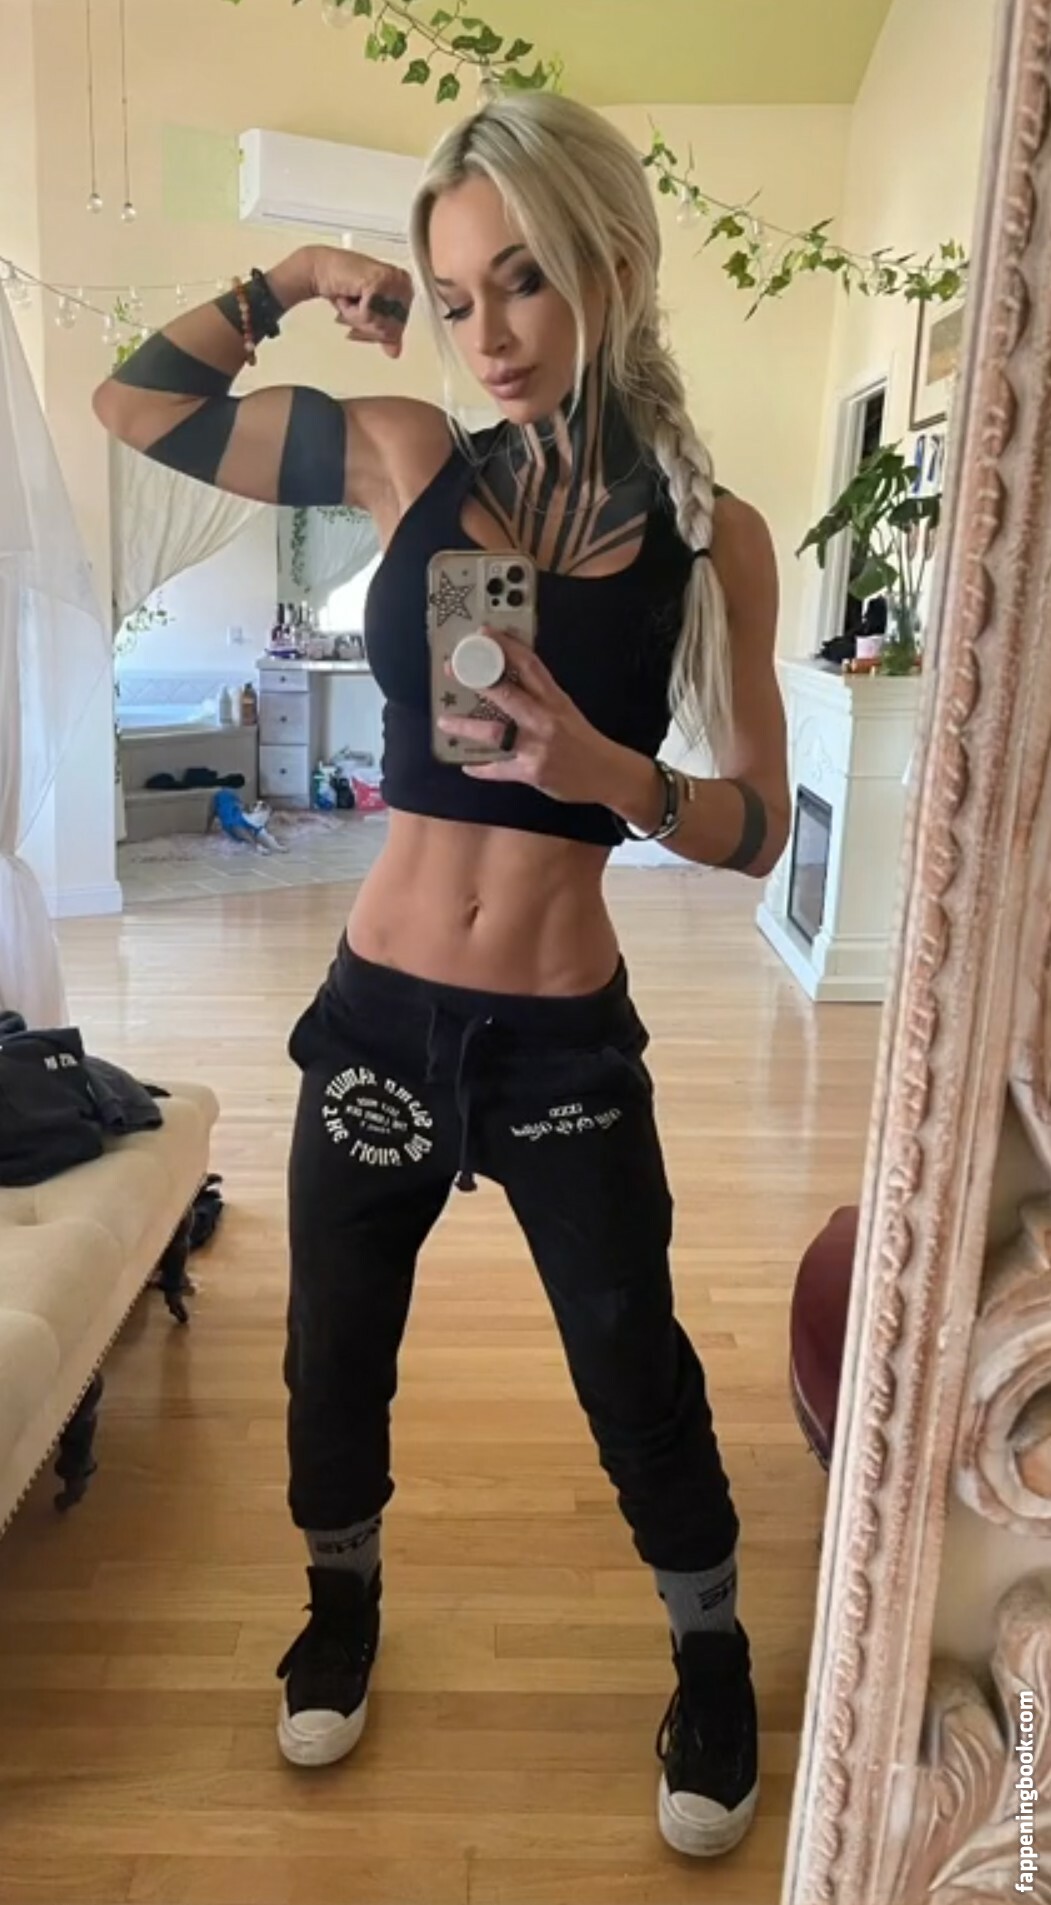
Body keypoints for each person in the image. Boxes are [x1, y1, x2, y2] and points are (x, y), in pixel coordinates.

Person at [94, 91, 789, 1859]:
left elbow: (761, 829)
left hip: (562, 1039)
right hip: (381, 1014)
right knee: (334, 1341)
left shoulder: (716, 537)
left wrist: (613, 777)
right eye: (459, 294)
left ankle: (711, 1655)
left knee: (630, 1354)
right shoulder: (408, 455)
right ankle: (341, 1602)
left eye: (526, 281)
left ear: (616, 263)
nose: (488, 333)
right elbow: (137, 409)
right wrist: (288, 279)